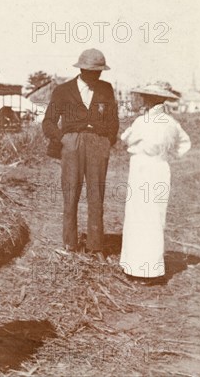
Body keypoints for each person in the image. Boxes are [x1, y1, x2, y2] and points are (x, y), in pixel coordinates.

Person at [42, 49, 119, 254]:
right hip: (71, 143)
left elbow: (113, 120)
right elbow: (48, 121)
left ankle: (95, 247)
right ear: (82, 69)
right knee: (71, 194)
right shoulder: (63, 90)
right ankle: (70, 244)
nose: (96, 75)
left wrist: (106, 140)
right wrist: (63, 139)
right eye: (92, 71)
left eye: (99, 71)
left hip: (97, 144)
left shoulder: (106, 89)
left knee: (96, 196)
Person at [119, 83, 191, 284]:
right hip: (160, 168)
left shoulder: (143, 121)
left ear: (148, 100)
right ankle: (151, 268)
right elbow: (185, 143)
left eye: (144, 97)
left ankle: (137, 267)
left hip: (142, 168)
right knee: (156, 216)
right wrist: (168, 154)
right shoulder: (171, 123)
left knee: (139, 215)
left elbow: (126, 138)